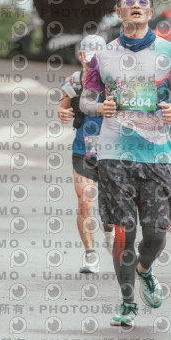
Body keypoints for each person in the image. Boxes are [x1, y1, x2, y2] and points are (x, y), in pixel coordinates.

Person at [80, 0, 171, 326]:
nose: (136, 5)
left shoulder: (169, 53)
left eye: (142, 1)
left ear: (151, 11)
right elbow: (85, 99)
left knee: (156, 233)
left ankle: (144, 268)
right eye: (129, 1)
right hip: (114, 154)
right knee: (123, 232)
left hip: (156, 155)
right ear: (119, 12)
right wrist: (100, 108)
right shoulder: (103, 56)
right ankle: (127, 302)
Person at [58, 35, 114, 273]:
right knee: (84, 201)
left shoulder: (115, 81)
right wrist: (63, 114)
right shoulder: (73, 81)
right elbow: (63, 108)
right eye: (88, 57)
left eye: (97, 58)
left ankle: (109, 230)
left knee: (112, 205)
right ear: (81, 56)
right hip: (83, 149)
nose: (92, 63)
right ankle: (90, 254)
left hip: (113, 150)